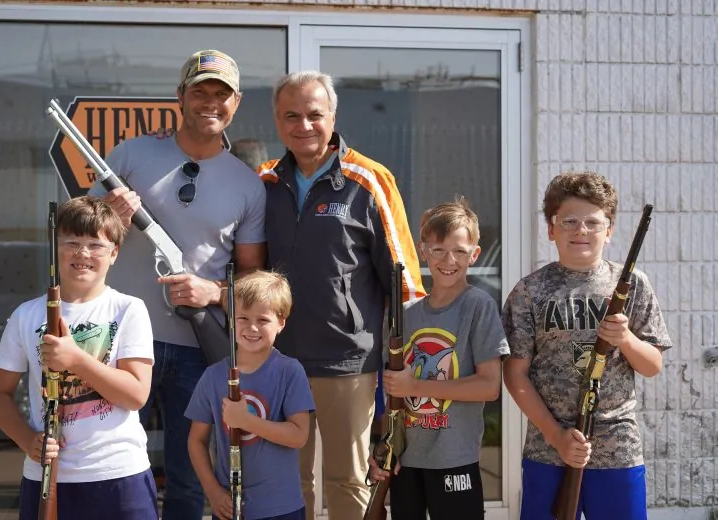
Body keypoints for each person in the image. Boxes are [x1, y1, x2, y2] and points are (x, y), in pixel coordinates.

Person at [91, 49, 267, 518]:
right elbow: (85, 237)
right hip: (118, 342)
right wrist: (112, 216)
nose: (210, 102)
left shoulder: (248, 185)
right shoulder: (131, 154)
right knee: (104, 465)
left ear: (236, 103)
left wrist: (215, 293)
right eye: (200, 91)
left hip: (195, 347)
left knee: (190, 482)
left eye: (221, 94)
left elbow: (253, 277)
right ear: (180, 97)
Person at [258, 70, 425, 520]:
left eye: (315, 114)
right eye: (291, 115)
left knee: (347, 479)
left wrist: (402, 358)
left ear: (332, 117)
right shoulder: (265, 182)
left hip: (347, 359)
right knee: (290, 480)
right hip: (281, 360)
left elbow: (403, 282)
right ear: (277, 121)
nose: (304, 125)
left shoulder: (369, 180)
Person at [501, 171, 672, 520]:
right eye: (569, 221)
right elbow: (515, 375)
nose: (581, 230)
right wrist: (557, 436)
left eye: (594, 223)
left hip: (617, 449)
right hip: (548, 448)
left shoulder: (634, 284)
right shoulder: (529, 291)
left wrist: (625, 338)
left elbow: (652, 365)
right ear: (551, 229)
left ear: (608, 231)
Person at [0, 196, 158, 519]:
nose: (83, 253)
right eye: (72, 243)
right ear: (56, 248)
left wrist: (76, 359)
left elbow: (136, 394)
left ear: (114, 253)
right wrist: (27, 442)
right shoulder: (26, 315)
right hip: (47, 476)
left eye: (95, 245)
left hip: (118, 473)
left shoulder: (129, 309)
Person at [368, 198, 510, 520]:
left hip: (454, 459)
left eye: (460, 251)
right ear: (422, 250)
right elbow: (387, 394)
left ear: (474, 254)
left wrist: (415, 385)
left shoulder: (479, 307)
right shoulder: (404, 315)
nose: (449, 260)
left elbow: (489, 387)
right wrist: (381, 446)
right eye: (438, 250)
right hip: (405, 459)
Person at [185, 270, 315, 520]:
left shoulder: (290, 371)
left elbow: (299, 436)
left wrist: (246, 421)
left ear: (281, 322)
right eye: (243, 317)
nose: (251, 327)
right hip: (229, 508)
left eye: (263, 320)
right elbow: (196, 441)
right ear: (230, 319)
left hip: (282, 508)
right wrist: (212, 492)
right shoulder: (213, 376)